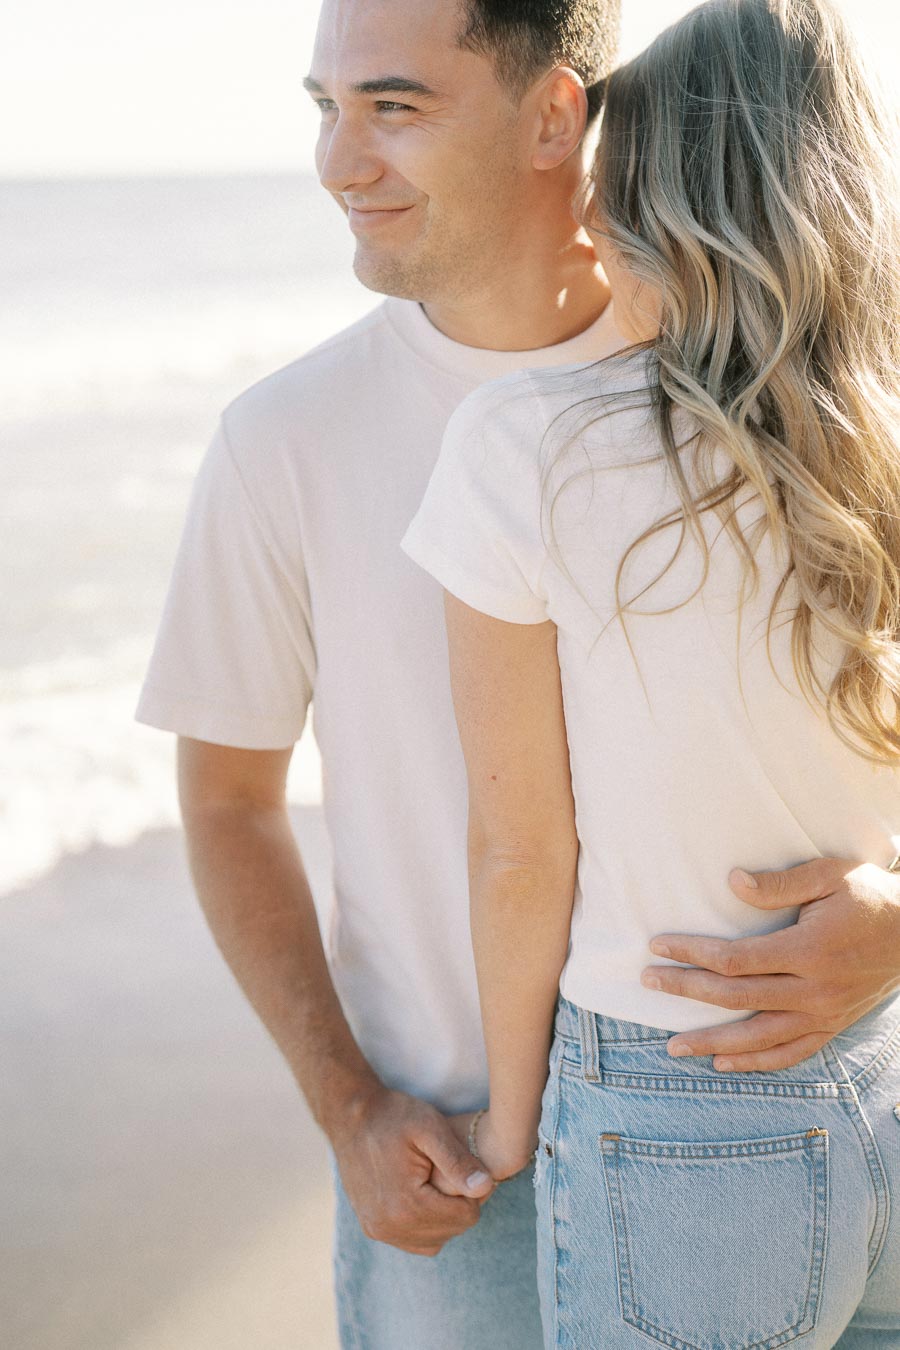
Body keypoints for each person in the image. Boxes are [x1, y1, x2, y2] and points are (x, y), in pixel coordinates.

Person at [135, 0, 900, 1345]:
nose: (337, 161)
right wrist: (349, 1105)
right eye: (325, 109)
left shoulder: (774, 388)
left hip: (777, 1098)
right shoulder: (280, 440)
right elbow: (228, 807)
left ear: (555, 116)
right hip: (451, 1159)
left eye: (392, 106)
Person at [401, 0, 900, 1344]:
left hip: (678, 1102)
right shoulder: (884, 448)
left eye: (609, 193)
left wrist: (511, 1121)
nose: (584, 229)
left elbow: (521, 849)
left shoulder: (527, 448)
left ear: (656, 211)